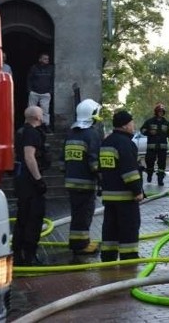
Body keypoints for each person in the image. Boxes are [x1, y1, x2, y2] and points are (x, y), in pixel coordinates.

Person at [99, 110, 144, 262]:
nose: (133, 125)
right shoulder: (126, 143)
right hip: (125, 196)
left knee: (110, 228)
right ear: (125, 125)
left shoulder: (106, 142)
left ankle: (108, 256)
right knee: (129, 228)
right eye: (131, 123)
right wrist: (137, 191)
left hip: (109, 195)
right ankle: (129, 257)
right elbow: (129, 171)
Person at [63, 98, 103, 255]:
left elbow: (62, 161)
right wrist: (101, 178)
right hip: (85, 183)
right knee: (84, 215)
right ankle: (81, 246)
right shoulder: (91, 134)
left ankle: (78, 242)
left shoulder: (71, 133)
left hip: (71, 182)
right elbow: (94, 162)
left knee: (77, 214)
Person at [12, 106, 49, 266]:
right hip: (30, 183)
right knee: (33, 218)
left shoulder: (20, 132)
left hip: (21, 181)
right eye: (41, 113)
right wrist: (38, 180)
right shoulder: (32, 133)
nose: (43, 115)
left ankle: (18, 254)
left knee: (23, 218)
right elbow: (29, 157)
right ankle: (29, 256)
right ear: (36, 117)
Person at [139, 103, 169, 186]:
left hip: (162, 148)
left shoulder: (166, 123)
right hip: (151, 148)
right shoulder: (149, 121)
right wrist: (149, 132)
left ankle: (160, 179)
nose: (161, 113)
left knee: (162, 164)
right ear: (156, 112)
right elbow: (142, 130)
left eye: (162, 111)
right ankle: (149, 174)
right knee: (149, 162)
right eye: (159, 111)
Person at [27, 52, 54, 130]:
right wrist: (30, 90)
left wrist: (50, 91)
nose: (47, 60)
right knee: (31, 110)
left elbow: (52, 80)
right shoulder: (34, 68)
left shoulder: (51, 69)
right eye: (45, 59)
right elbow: (29, 79)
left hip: (45, 93)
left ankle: (46, 126)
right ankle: (30, 126)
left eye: (48, 59)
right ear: (40, 59)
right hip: (34, 92)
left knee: (45, 111)